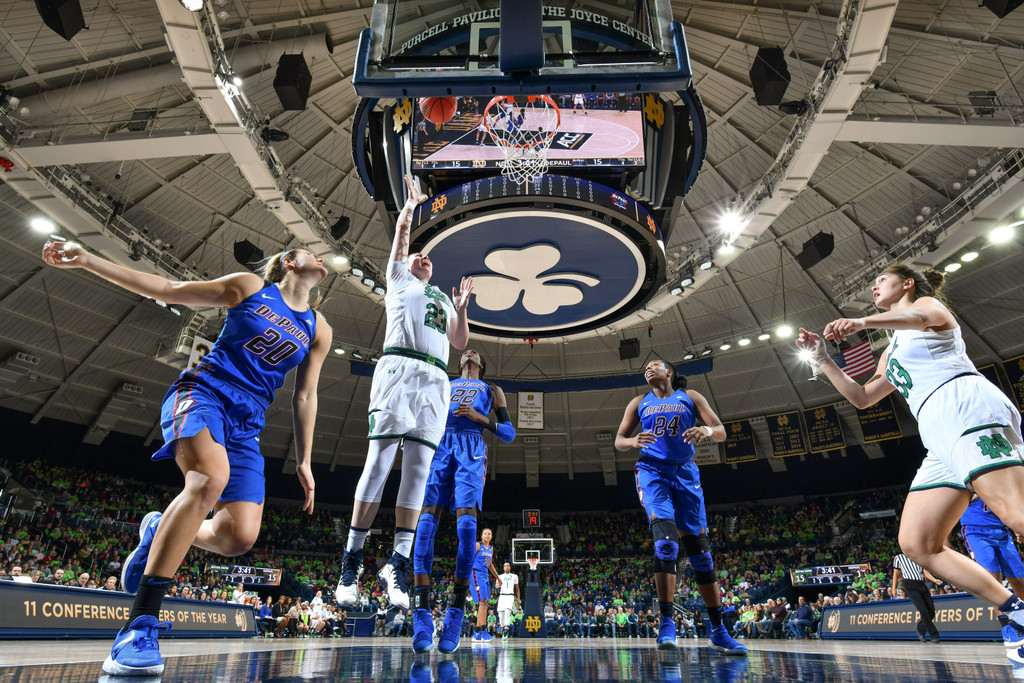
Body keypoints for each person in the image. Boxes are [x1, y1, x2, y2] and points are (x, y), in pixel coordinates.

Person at [42, 239, 331, 676]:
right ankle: (139, 626)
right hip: (204, 394)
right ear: (289, 262)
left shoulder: (319, 328)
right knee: (209, 480)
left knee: (238, 538)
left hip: (248, 422)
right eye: (310, 250)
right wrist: (87, 260)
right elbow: (168, 288)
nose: (321, 256)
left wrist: (304, 460)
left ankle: (160, 527)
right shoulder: (250, 287)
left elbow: (305, 396)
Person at [796, 262, 1024, 663]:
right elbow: (863, 398)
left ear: (907, 283)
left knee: (1017, 517)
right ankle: (1017, 613)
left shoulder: (930, 308)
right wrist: (823, 359)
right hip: (937, 434)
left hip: (964, 406)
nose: (874, 287)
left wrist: (862, 322)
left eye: (880, 280)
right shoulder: (892, 350)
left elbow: (916, 317)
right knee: (918, 543)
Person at [335, 175, 473, 615]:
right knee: (379, 462)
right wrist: (410, 207)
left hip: (436, 381)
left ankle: (396, 563)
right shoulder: (398, 279)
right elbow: (400, 240)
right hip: (399, 369)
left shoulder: (444, 298)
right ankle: (351, 560)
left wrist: (463, 309)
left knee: (417, 471)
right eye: (418, 255)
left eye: (428, 257)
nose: (424, 257)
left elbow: (459, 343)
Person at [614, 359, 747, 656]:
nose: (648, 369)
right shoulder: (639, 402)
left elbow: (721, 431)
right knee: (665, 544)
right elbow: (619, 440)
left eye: (655, 364)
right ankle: (666, 624)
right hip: (652, 472)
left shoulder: (691, 396)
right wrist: (632, 441)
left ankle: (718, 632)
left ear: (669, 372)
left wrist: (706, 431)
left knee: (701, 555)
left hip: (686, 474)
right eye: (646, 367)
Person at [410, 349, 515, 653]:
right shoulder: (444, 382)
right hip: (441, 444)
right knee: (424, 530)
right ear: (459, 364)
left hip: (472, 449)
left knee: (468, 531)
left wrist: (482, 419)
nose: (470, 351)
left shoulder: (492, 390)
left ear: (482, 364)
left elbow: (509, 433)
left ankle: (455, 613)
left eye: (476, 353)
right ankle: (421, 616)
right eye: (467, 352)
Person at [959, 497, 1024, 642]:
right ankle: (1006, 628)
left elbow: (1008, 503)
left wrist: (1017, 526)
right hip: (975, 530)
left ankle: (1020, 622)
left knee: (1020, 580)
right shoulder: (965, 485)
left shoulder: (1000, 484)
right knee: (993, 580)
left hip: (1002, 530)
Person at [892, 552, 943, 642]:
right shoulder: (899, 558)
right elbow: (896, 574)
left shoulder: (919, 556)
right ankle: (934, 635)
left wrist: (935, 580)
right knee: (923, 609)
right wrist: (894, 588)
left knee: (931, 611)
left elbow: (925, 572)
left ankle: (920, 627)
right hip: (909, 584)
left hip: (921, 583)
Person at [495, 561, 520, 640]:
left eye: (508, 565)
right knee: (501, 616)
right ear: (503, 568)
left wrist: (518, 599)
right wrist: (498, 585)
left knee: (507, 614)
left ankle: (506, 631)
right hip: (502, 596)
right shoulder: (499, 576)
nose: (506, 567)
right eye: (505, 566)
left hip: (510, 596)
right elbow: (496, 586)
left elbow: (517, 589)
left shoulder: (514, 576)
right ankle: (503, 630)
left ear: (510, 567)